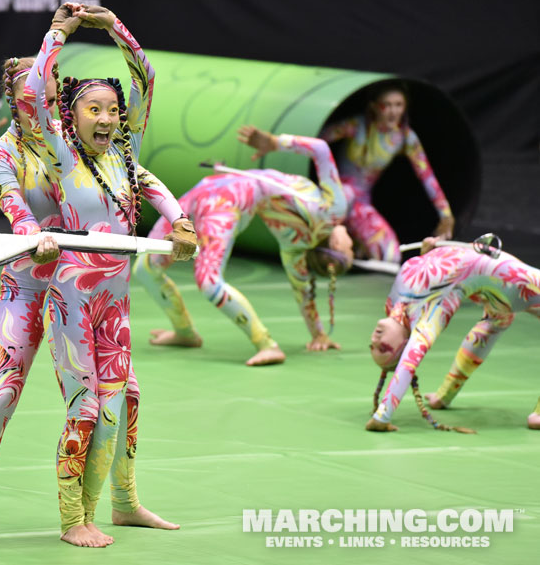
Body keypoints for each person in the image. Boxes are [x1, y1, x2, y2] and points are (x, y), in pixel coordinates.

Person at [0, 51, 181, 546]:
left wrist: (175, 215)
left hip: (83, 287)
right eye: (39, 96)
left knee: (126, 395)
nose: (48, 105)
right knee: (1, 396)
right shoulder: (1, 157)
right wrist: (38, 233)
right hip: (28, 289)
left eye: (54, 95)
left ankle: (125, 502)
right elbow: (18, 215)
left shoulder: (77, 144)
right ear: (17, 98)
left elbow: (134, 174)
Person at [25, 4, 196, 547]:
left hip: (115, 306)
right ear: (72, 117)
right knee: (89, 408)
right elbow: (35, 89)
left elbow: (145, 76)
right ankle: (74, 518)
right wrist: (60, 32)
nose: (104, 118)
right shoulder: (62, 153)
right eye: (92, 109)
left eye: (111, 111)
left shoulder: (127, 158)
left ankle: (121, 506)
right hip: (73, 300)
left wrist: (112, 24)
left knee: (126, 400)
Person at [135, 127, 353, 363]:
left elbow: (321, 149)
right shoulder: (296, 247)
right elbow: (304, 295)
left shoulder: (333, 212)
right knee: (145, 267)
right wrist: (318, 334)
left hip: (229, 197)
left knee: (209, 281)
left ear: (338, 246)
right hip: (215, 185)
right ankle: (185, 332)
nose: (354, 244)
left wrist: (275, 142)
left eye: (353, 251)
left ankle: (267, 345)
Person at [367, 236, 540, 432]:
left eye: (371, 346)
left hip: (494, 278)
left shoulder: (394, 306)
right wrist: (382, 416)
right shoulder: (426, 317)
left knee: (497, 319)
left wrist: (428, 252)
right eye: (383, 348)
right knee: (497, 319)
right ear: (405, 343)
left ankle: (444, 396)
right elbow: (409, 363)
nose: (375, 339)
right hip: (510, 279)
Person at [319, 82, 454, 263]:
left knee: (390, 255)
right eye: (387, 105)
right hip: (333, 199)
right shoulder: (356, 126)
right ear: (374, 107)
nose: (393, 111)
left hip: (359, 204)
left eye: (398, 105)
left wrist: (446, 215)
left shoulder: (404, 137)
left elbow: (427, 176)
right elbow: (316, 142)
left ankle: (357, 247)